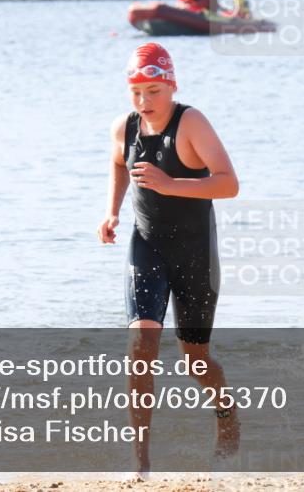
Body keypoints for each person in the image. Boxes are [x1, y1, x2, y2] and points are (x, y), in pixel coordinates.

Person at [97, 42, 240, 476]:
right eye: (137, 92)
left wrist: (167, 183)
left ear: (172, 86)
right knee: (140, 344)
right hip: (148, 245)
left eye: (154, 91)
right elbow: (119, 163)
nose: (145, 101)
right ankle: (140, 460)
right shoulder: (125, 126)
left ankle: (226, 410)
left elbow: (229, 184)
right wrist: (112, 210)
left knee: (195, 359)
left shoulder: (191, 123)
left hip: (195, 252)